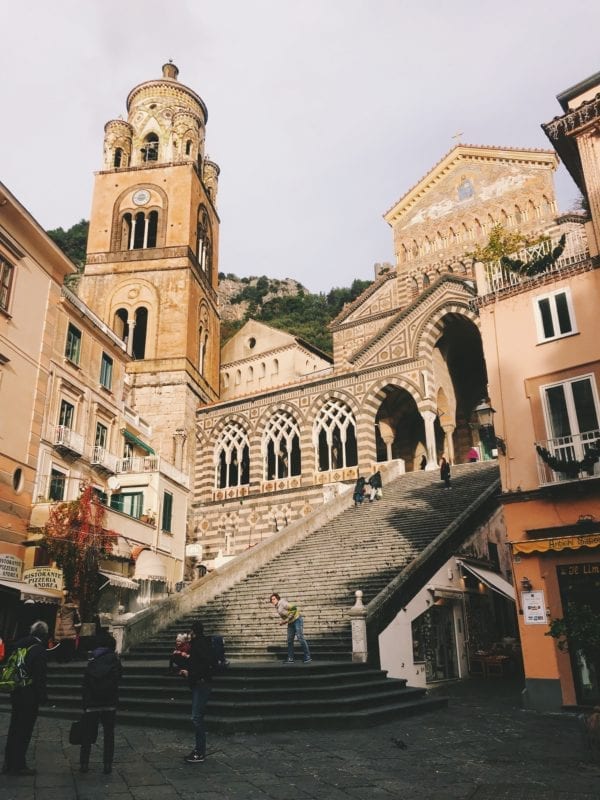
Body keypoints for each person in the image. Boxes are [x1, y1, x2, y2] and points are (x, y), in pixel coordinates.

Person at [2, 620, 48, 776]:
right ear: (44, 634)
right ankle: (19, 764)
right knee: (25, 729)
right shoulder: (39, 649)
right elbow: (39, 675)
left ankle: (9, 763)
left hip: (16, 690)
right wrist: (43, 696)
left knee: (14, 727)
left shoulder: (19, 644)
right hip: (30, 694)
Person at [79, 632, 122, 775]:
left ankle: (84, 763)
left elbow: (85, 683)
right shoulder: (115, 660)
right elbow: (118, 680)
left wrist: (85, 703)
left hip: (92, 702)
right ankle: (107, 765)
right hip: (109, 702)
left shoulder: (91, 660)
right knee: (109, 734)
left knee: (87, 733)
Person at [180, 621, 213, 764]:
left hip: (201, 683)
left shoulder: (199, 644)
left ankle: (200, 752)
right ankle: (199, 749)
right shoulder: (201, 643)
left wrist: (191, 674)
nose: (189, 635)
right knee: (197, 717)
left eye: (190, 632)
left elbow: (204, 665)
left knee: (196, 717)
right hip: (200, 682)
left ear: (193, 632)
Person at [270, 593, 312, 664]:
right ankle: (290, 658)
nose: (272, 601)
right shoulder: (277, 606)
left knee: (300, 638)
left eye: (274, 599)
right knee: (289, 640)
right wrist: (285, 621)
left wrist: (285, 620)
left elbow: (294, 608)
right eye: (271, 600)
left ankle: (307, 657)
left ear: (277, 598)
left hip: (297, 619)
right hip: (291, 622)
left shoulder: (282, 603)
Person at [54, 592, 81, 662]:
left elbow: (58, 617)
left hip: (62, 628)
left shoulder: (61, 608)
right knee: (70, 644)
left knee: (62, 643)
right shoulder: (74, 608)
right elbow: (77, 618)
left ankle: (61, 658)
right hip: (71, 627)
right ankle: (68, 658)